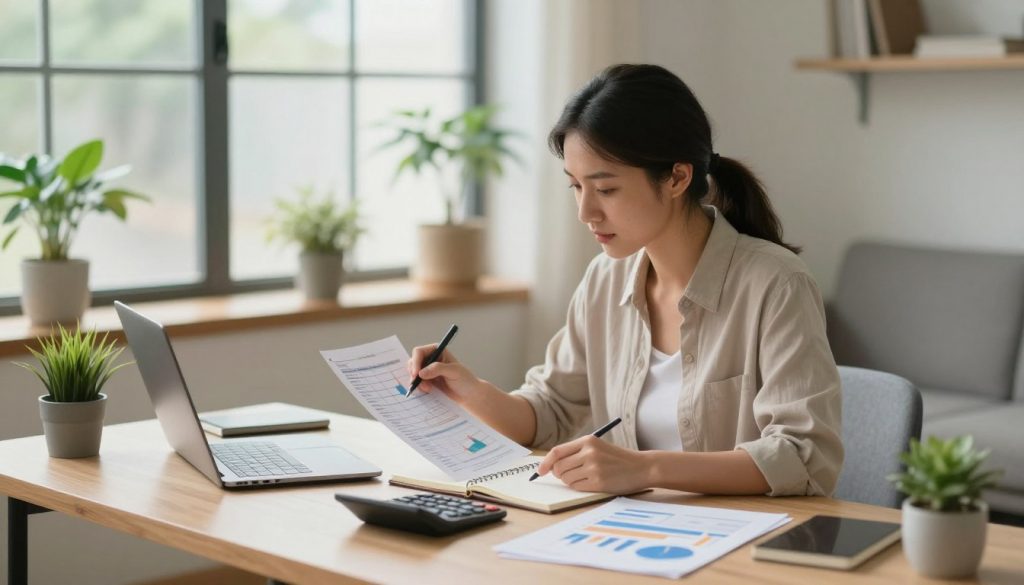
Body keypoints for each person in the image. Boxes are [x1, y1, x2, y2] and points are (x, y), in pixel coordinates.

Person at [408, 64, 843, 497]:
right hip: (630, 535)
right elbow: (551, 412)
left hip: (743, 542)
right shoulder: (604, 280)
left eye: (606, 189)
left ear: (677, 177)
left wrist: (646, 469)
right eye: (576, 187)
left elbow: (802, 456)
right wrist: (469, 389)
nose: (586, 212)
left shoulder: (777, 284)